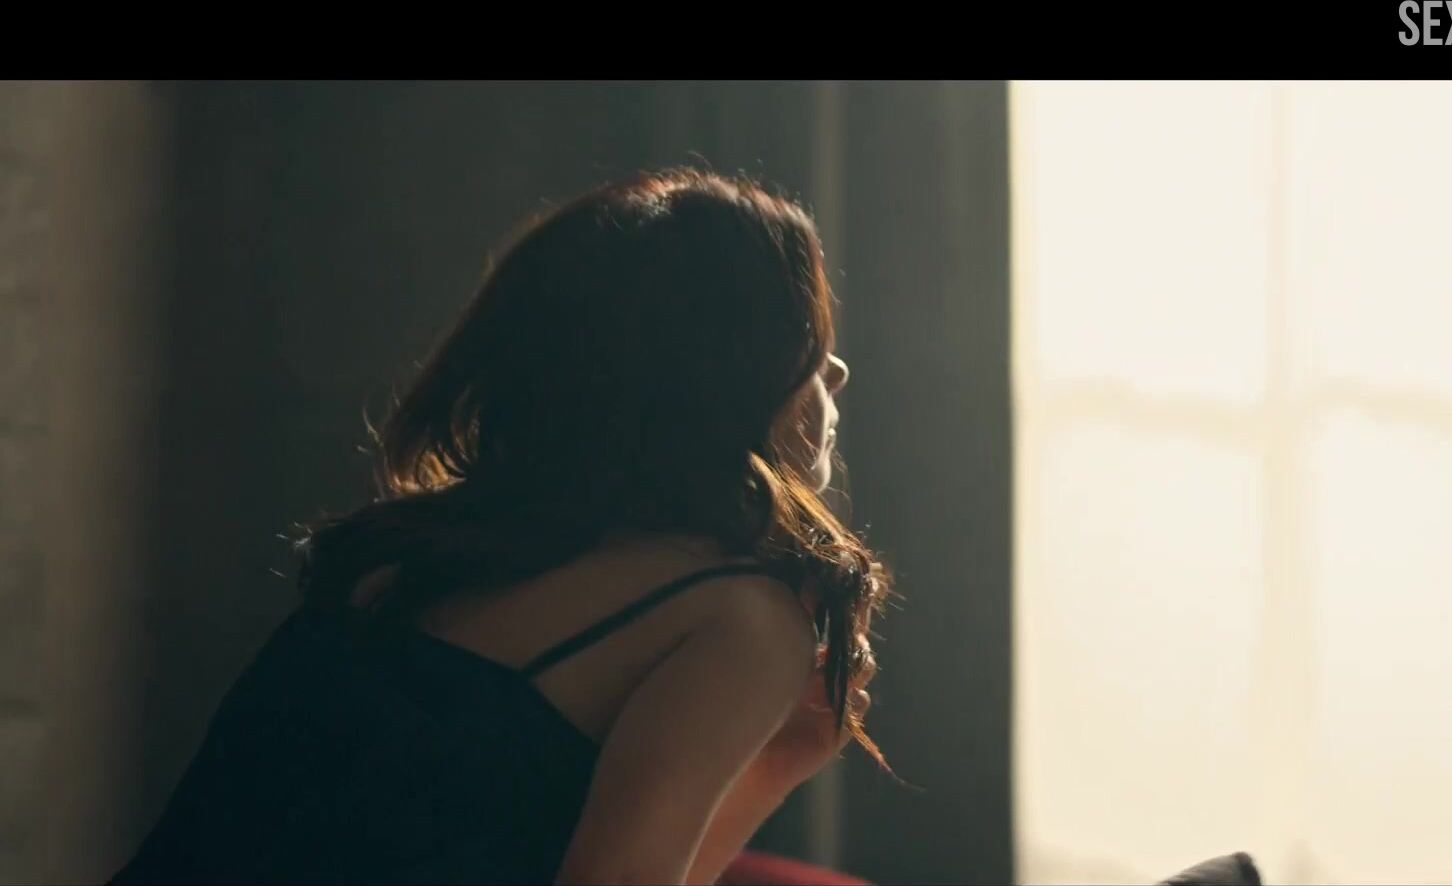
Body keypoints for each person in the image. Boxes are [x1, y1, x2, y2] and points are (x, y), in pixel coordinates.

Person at [110, 168, 892, 885]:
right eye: (807, 343)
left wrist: (781, 760)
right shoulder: (740, 618)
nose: (837, 373)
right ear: (723, 379)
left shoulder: (411, 556)